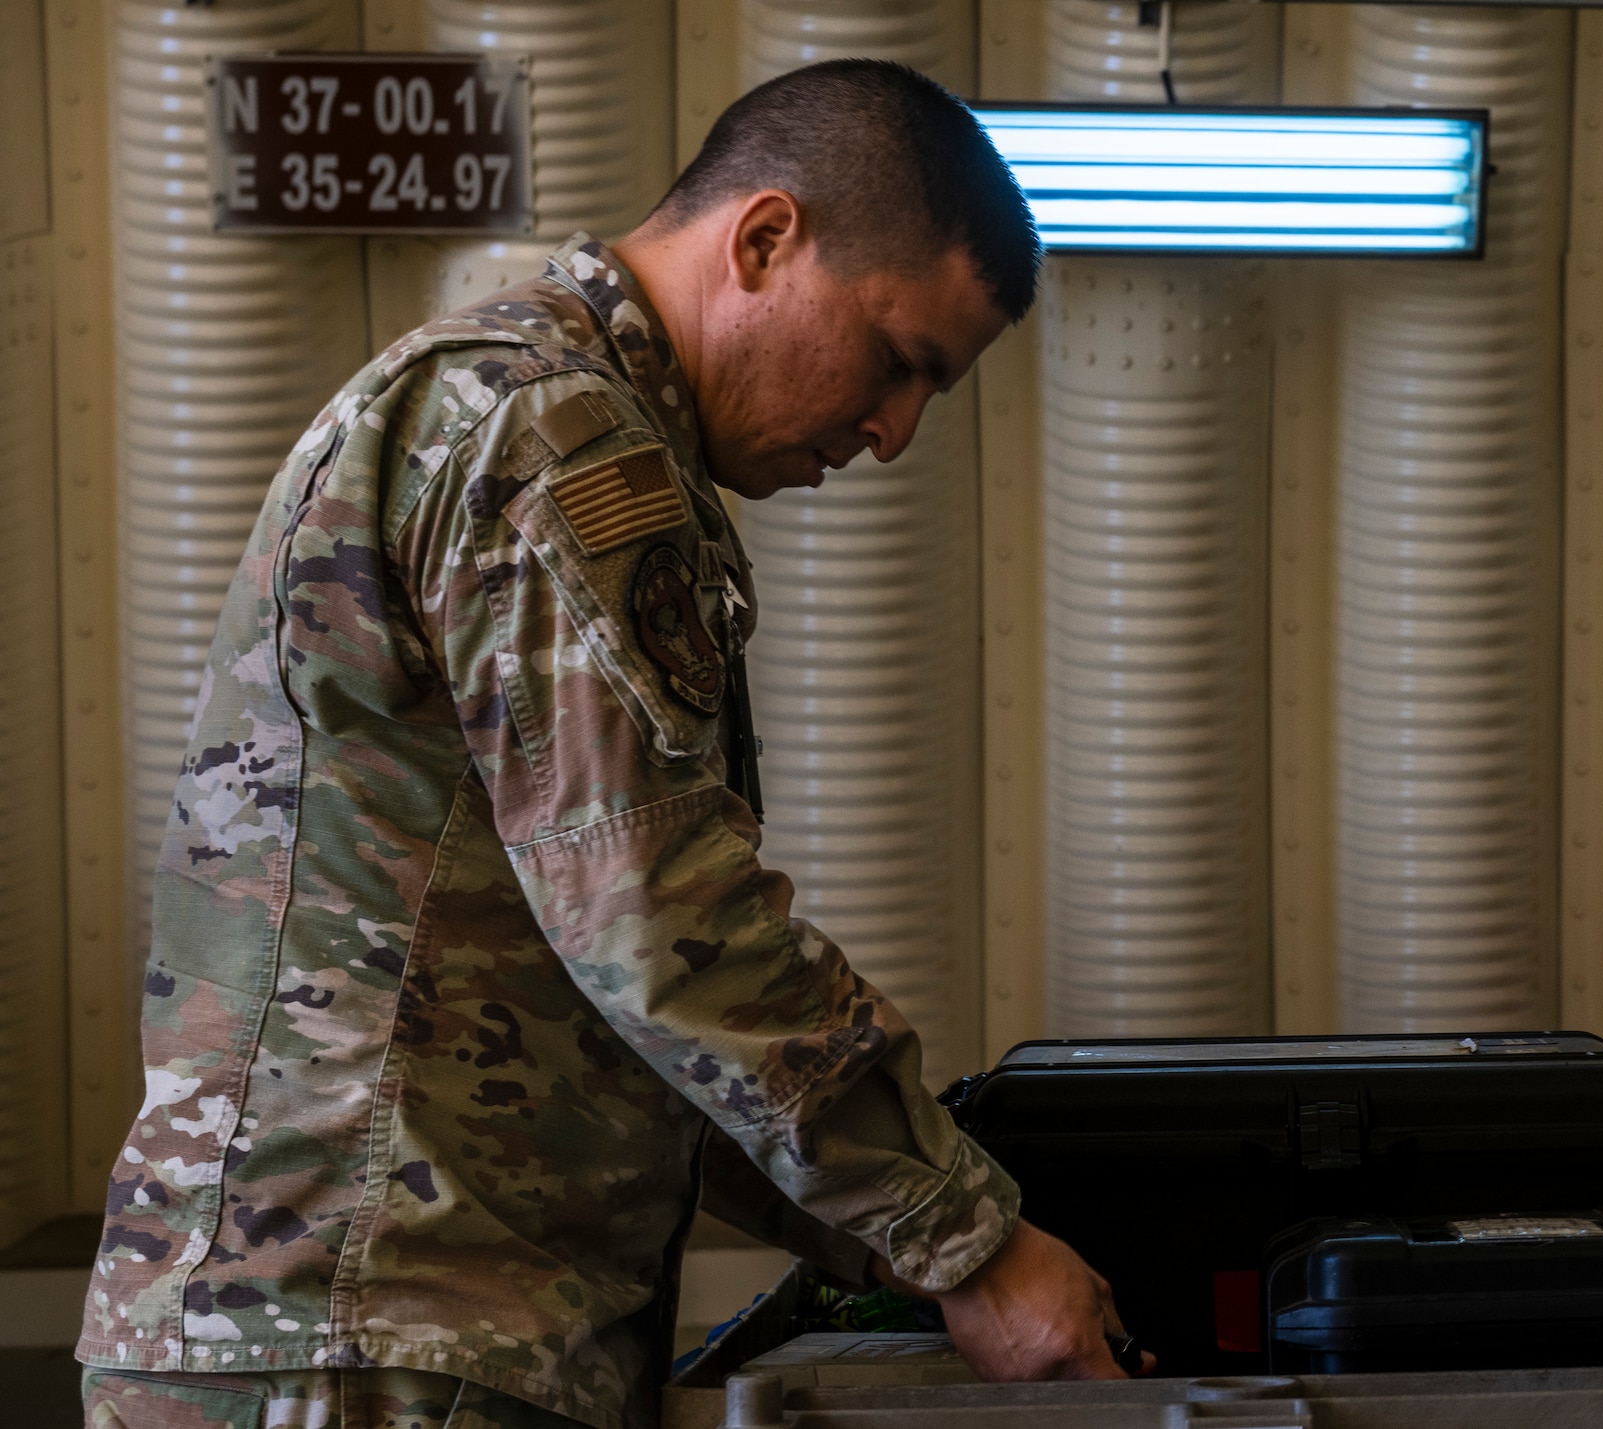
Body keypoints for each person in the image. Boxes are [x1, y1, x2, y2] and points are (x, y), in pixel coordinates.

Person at [78, 60, 1140, 1429]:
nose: (893, 433)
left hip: (347, 1323)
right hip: (373, 1331)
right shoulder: (555, 431)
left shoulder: (525, 413)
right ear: (765, 240)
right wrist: (972, 1243)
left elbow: (628, 1004)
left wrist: (925, 1243)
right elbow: (660, 917)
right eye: (897, 360)